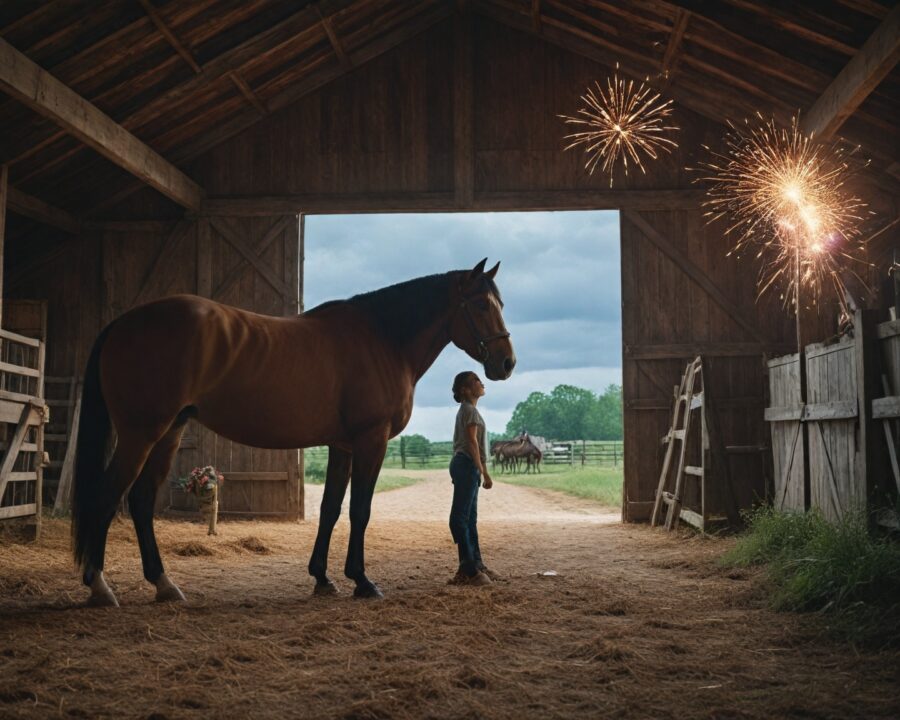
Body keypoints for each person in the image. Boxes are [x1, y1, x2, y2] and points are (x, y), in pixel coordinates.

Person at [448, 370, 498, 586]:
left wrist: (481, 469)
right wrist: (483, 471)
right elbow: (472, 443)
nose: (482, 383)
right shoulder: (469, 411)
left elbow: (476, 446)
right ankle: (469, 568)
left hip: (469, 466)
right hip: (466, 465)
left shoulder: (469, 411)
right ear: (465, 390)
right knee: (461, 518)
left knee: (470, 519)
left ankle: (475, 565)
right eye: (477, 380)